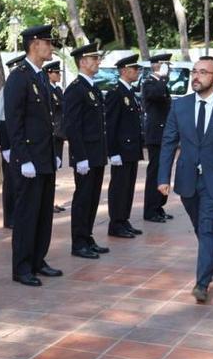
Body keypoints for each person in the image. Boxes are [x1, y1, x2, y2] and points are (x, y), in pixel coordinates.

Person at [158, 56, 213, 304]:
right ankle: (210, 260)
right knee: (200, 225)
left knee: (208, 225)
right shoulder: (180, 106)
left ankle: (202, 283)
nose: (196, 77)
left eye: (203, 72)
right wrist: (163, 177)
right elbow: (168, 143)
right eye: (194, 72)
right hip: (187, 179)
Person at [4, 26, 63, 287]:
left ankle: (39, 259)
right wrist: (23, 157)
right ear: (34, 44)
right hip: (29, 159)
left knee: (43, 214)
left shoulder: (40, 77)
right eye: (48, 43)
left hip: (44, 157)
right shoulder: (19, 77)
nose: (51, 47)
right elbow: (13, 122)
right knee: (27, 215)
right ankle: (22, 266)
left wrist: (55, 153)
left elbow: (49, 121)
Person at [64, 42, 110, 259]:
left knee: (92, 198)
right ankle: (78, 242)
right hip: (85, 156)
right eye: (94, 58)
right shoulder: (76, 89)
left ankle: (87, 236)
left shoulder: (92, 87)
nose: (97, 61)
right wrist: (80, 157)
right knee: (83, 198)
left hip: (96, 154)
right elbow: (72, 126)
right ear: (82, 62)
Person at [106, 54, 144, 238]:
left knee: (128, 186)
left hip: (132, 149)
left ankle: (124, 219)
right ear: (124, 71)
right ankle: (116, 223)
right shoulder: (116, 93)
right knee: (119, 187)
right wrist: (113, 152)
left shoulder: (129, 91)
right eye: (134, 68)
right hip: (121, 150)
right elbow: (111, 124)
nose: (137, 71)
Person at [143, 53, 174, 223]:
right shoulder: (149, 83)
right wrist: (162, 77)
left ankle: (159, 206)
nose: (168, 68)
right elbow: (156, 95)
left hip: (164, 134)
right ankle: (150, 209)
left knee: (164, 172)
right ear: (157, 66)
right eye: (165, 65)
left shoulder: (160, 82)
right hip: (155, 134)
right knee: (155, 172)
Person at [0, 53, 26, 229]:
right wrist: (6, 147)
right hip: (10, 143)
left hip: (18, 141)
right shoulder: (7, 89)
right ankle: (10, 218)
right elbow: (1, 120)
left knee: (18, 182)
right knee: (10, 182)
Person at [44, 60, 67, 213]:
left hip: (59, 134)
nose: (59, 75)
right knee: (50, 170)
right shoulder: (46, 90)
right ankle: (47, 203)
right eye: (56, 73)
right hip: (52, 134)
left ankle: (51, 201)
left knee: (55, 168)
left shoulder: (57, 90)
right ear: (48, 74)